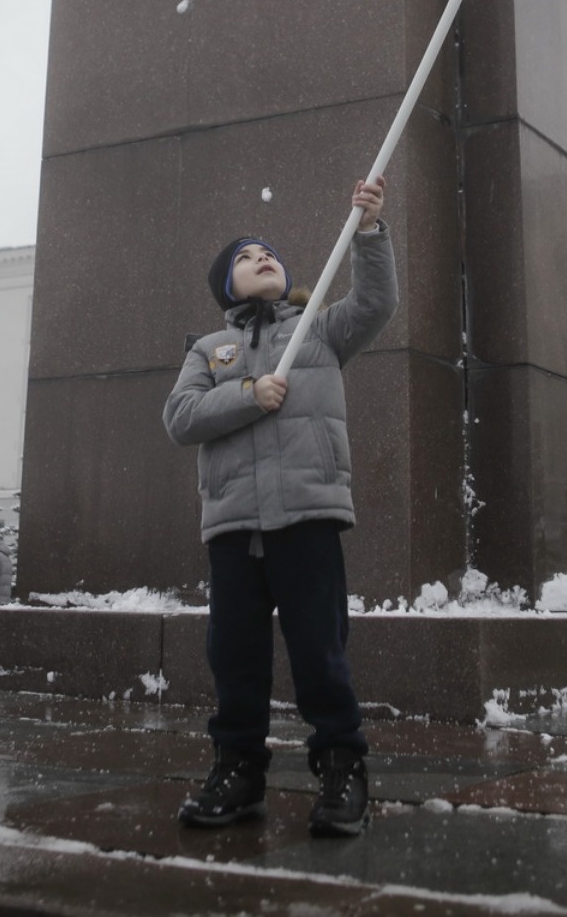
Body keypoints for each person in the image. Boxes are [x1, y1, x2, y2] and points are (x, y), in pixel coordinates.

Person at [164, 176, 397, 836]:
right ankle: (238, 770)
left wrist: (369, 232)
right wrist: (249, 393)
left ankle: (342, 768)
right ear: (227, 287)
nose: (261, 257)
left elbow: (376, 302)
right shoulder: (209, 350)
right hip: (234, 526)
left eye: (268, 252)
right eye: (245, 257)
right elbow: (181, 417)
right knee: (235, 657)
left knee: (320, 651)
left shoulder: (317, 330)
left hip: (306, 517)